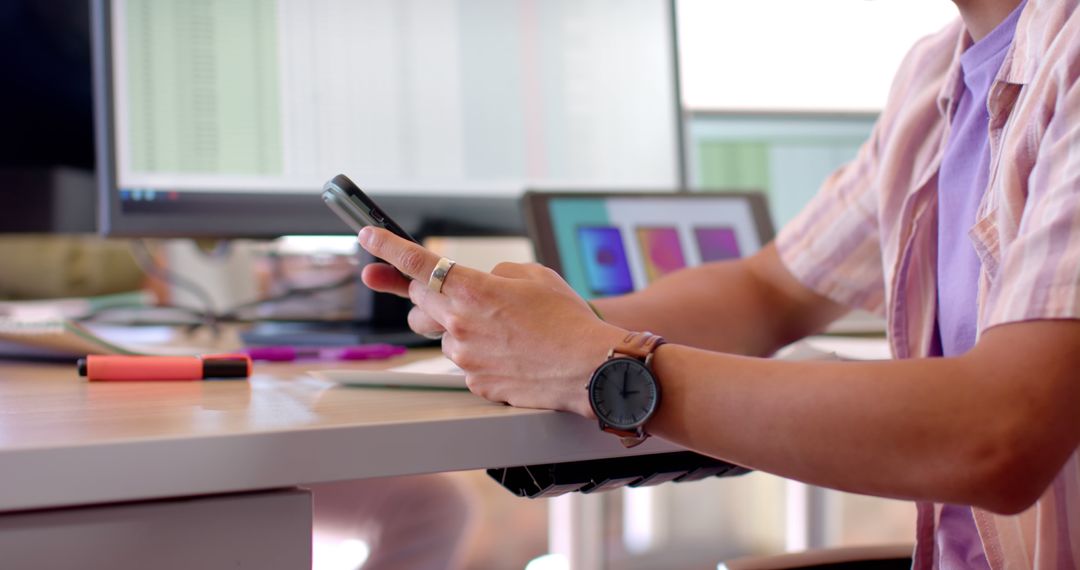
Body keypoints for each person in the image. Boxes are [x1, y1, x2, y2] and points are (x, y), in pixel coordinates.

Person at [356, 0, 1079, 568]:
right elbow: (770, 290)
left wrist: (594, 366)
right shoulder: (936, 76)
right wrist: (530, 328)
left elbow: (997, 434)